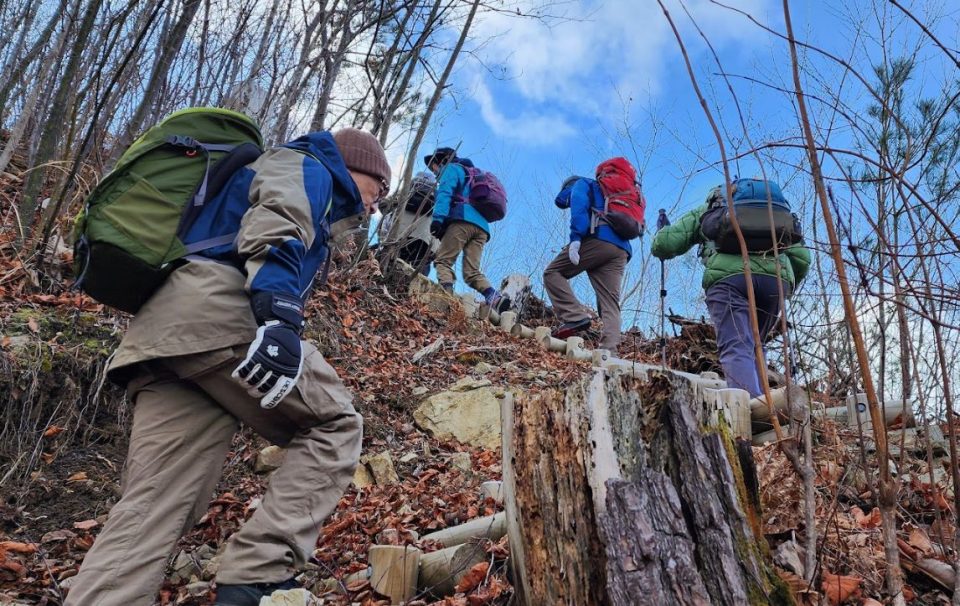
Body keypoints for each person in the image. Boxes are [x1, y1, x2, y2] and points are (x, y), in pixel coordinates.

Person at [65, 128, 391, 606]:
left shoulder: (272, 175)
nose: (376, 204)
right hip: (222, 314)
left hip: (164, 336)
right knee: (336, 423)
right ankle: (258, 574)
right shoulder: (310, 166)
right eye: (378, 188)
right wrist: (280, 318)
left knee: (154, 504)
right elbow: (277, 223)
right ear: (354, 165)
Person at [651, 185, 810, 397]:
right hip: (775, 282)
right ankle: (766, 407)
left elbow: (666, 244)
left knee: (737, 344)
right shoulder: (773, 211)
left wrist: (660, 234)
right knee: (757, 345)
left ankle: (746, 409)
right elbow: (803, 258)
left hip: (728, 280)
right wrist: (787, 287)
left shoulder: (710, 210)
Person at [543, 173, 633, 353]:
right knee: (610, 302)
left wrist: (576, 238)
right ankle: (609, 352)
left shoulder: (582, 184)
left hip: (599, 239)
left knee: (552, 273)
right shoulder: (608, 194)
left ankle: (574, 316)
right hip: (621, 249)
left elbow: (576, 204)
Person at [425, 147, 510, 312]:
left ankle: (446, 300)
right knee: (471, 272)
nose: (433, 171)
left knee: (443, 261)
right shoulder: (473, 174)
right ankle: (495, 298)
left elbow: (444, 193)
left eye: (433, 165)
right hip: (482, 228)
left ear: (441, 160)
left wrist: (438, 219)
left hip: (463, 220)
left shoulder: (452, 169)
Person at [379, 170, 438, 274]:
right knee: (417, 273)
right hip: (425, 241)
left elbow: (383, 204)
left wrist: (396, 206)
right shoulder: (439, 198)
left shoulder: (407, 190)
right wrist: (435, 252)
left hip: (398, 235)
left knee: (388, 267)